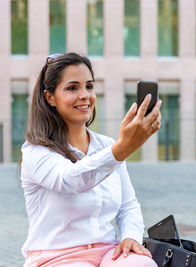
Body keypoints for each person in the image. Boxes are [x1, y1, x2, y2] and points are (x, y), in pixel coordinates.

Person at [20, 52, 161, 267]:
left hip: (107, 252)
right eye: (72, 88)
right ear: (50, 97)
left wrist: (130, 236)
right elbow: (71, 180)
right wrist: (121, 149)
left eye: (89, 86)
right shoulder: (36, 151)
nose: (85, 95)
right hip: (56, 257)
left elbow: (127, 204)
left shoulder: (106, 145)